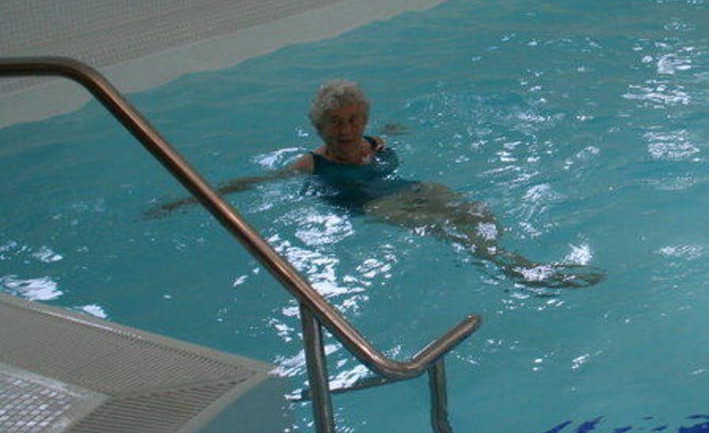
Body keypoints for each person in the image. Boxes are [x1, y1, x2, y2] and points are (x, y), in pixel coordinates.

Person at [149, 80, 604, 289]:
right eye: (335, 121)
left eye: (353, 120)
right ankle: (520, 272)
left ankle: (510, 257)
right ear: (320, 126)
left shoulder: (377, 143)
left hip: (407, 188)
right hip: (371, 205)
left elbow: (398, 128)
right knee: (446, 229)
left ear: (363, 120)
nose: (346, 129)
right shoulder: (309, 164)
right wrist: (192, 198)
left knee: (475, 213)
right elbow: (255, 184)